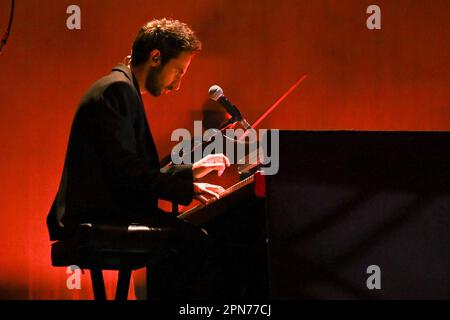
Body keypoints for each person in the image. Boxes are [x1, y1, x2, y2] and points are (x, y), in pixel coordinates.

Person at [47, 18, 230, 298]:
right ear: (156, 57)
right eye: (178, 72)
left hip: (108, 208)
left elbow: (131, 170)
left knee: (188, 244)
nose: (178, 84)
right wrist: (187, 189)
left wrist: (190, 171)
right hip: (103, 212)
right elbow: (127, 173)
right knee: (199, 245)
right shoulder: (118, 90)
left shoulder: (120, 87)